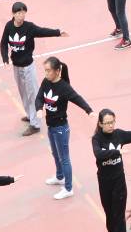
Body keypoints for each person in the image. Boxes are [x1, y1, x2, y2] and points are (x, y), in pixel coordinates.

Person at [0, 2, 66, 136]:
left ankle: (35, 124)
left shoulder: (29, 27)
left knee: (33, 94)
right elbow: (3, 43)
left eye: (23, 13)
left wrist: (58, 32)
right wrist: (5, 59)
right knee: (23, 93)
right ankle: (30, 115)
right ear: (13, 14)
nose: (21, 15)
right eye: (19, 13)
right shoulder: (9, 26)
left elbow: (42, 31)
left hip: (28, 67)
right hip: (16, 67)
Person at [36, 56, 93, 201]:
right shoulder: (46, 82)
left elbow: (77, 98)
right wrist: (39, 108)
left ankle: (68, 188)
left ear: (57, 71)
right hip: (51, 127)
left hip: (61, 128)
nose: (46, 73)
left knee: (64, 159)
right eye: (45, 70)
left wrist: (89, 110)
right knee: (55, 154)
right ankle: (59, 176)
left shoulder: (64, 87)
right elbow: (39, 97)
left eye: (48, 70)